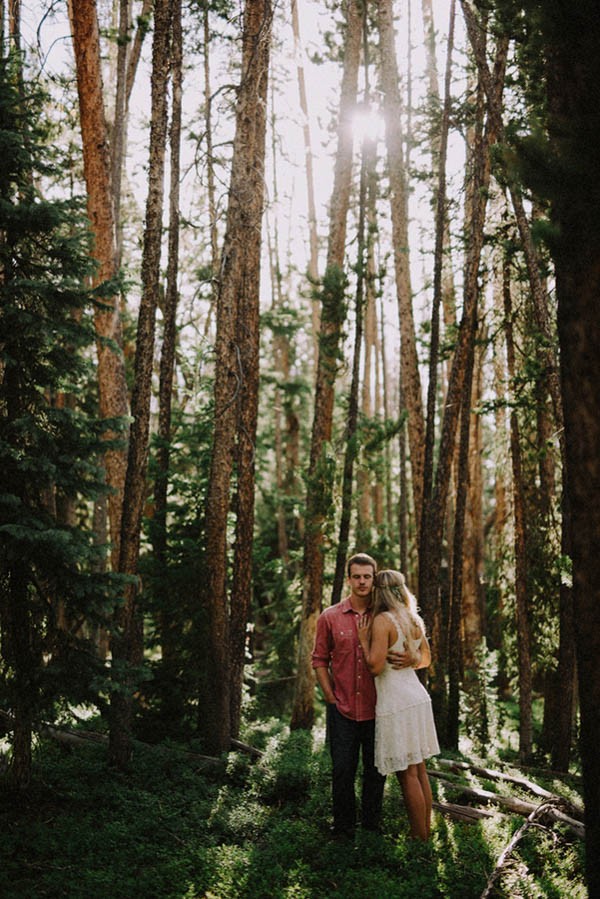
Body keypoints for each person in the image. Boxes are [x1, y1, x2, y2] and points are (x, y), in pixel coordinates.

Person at [357, 569, 440, 841]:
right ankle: (425, 832)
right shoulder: (412, 617)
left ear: (378, 592)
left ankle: (419, 839)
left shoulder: (383, 621)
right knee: (419, 769)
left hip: (397, 701)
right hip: (416, 696)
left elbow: (374, 667)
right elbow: (426, 659)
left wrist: (363, 641)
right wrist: (412, 658)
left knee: (407, 776)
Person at [312, 553, 389, 838]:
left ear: (374, 579)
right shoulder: (329, 617)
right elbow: (319, 659)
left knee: (376, 770)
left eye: (367, 576)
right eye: (356, 576)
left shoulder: (383, 617)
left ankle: (371, 827)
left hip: (378, 708)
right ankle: (343, 828)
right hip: (342, 709)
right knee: (342, 770)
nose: (362, 582)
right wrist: (330, 697)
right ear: (348, 579)